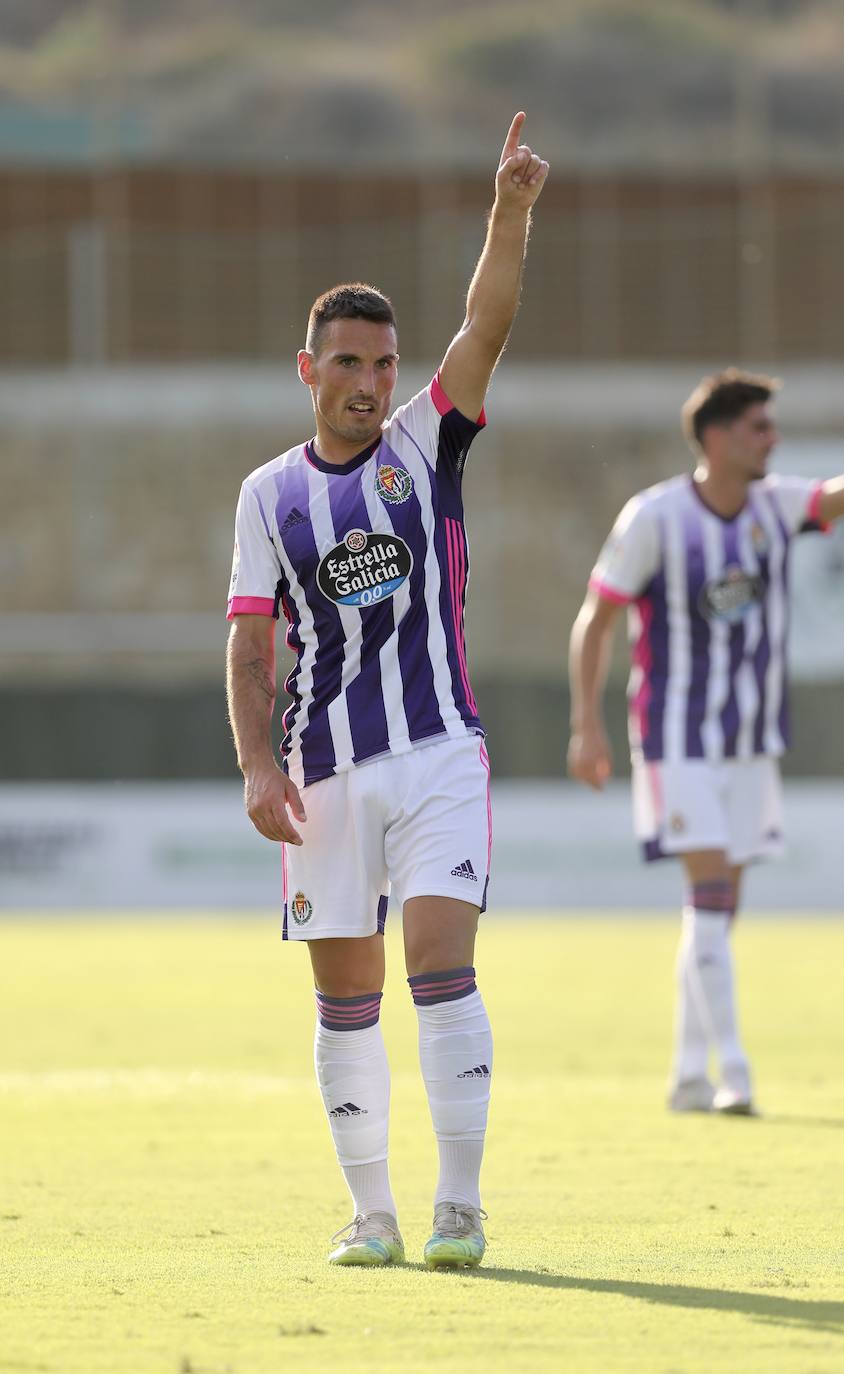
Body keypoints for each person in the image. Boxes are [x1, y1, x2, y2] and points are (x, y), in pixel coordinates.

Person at [225, 114, 548, 1267]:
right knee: (344, 998)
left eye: (384, 363)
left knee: (439, 965)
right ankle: (373, 1214)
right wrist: (259, 762)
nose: (370, 383)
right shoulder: (267, 496)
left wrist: (508, 210)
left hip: (436, 749)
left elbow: (488, 323)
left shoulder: (428, 445)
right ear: (309, 370)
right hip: (320, 770)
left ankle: (457, 1205)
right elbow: (251, 645)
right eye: (348, 363)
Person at [567, 370, 844, 1115]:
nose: (773, 438)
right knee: (711, 894)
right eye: (760, 427)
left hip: (751, 741)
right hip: (676, 738)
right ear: (718, 438)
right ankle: (737, 1073)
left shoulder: (774, 505)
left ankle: (689, 1072)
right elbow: (596, 619)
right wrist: (586, 724)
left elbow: (832, 497)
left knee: (717, 909)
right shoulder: (655, 517)